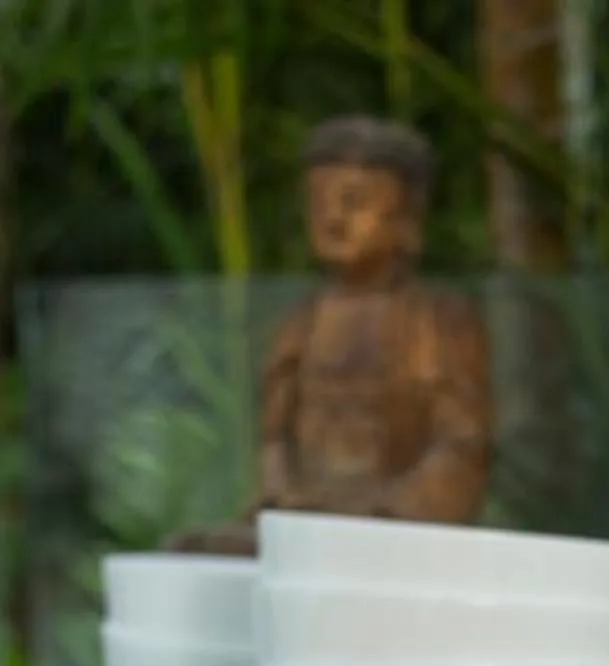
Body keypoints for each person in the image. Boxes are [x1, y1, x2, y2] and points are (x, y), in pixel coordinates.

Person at [170, 118, 492, 555]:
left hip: (394, 528)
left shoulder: (437, 320)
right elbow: (275, 438)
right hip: (306, 523)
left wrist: (387, 508)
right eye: (319, 203)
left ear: (406, 219)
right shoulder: (302, 321)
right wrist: (281, 496)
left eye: (354, 202)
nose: (333, 219)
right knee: (192, 555)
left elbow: (463, 444)